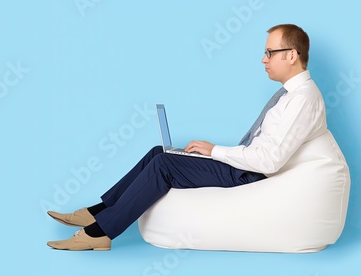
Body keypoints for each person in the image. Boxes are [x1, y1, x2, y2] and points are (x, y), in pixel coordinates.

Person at [47, 23, 326, 251]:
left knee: (164, 166)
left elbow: (269, 161)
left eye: (270, 52)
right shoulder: (291, 94)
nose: (263, 59)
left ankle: (101, 232)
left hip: (251, 173)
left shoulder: (302, 99)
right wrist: (214, 152)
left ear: (292, 55)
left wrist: (215, 150)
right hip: (245, 164)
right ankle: (100, 210)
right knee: (161, 152)